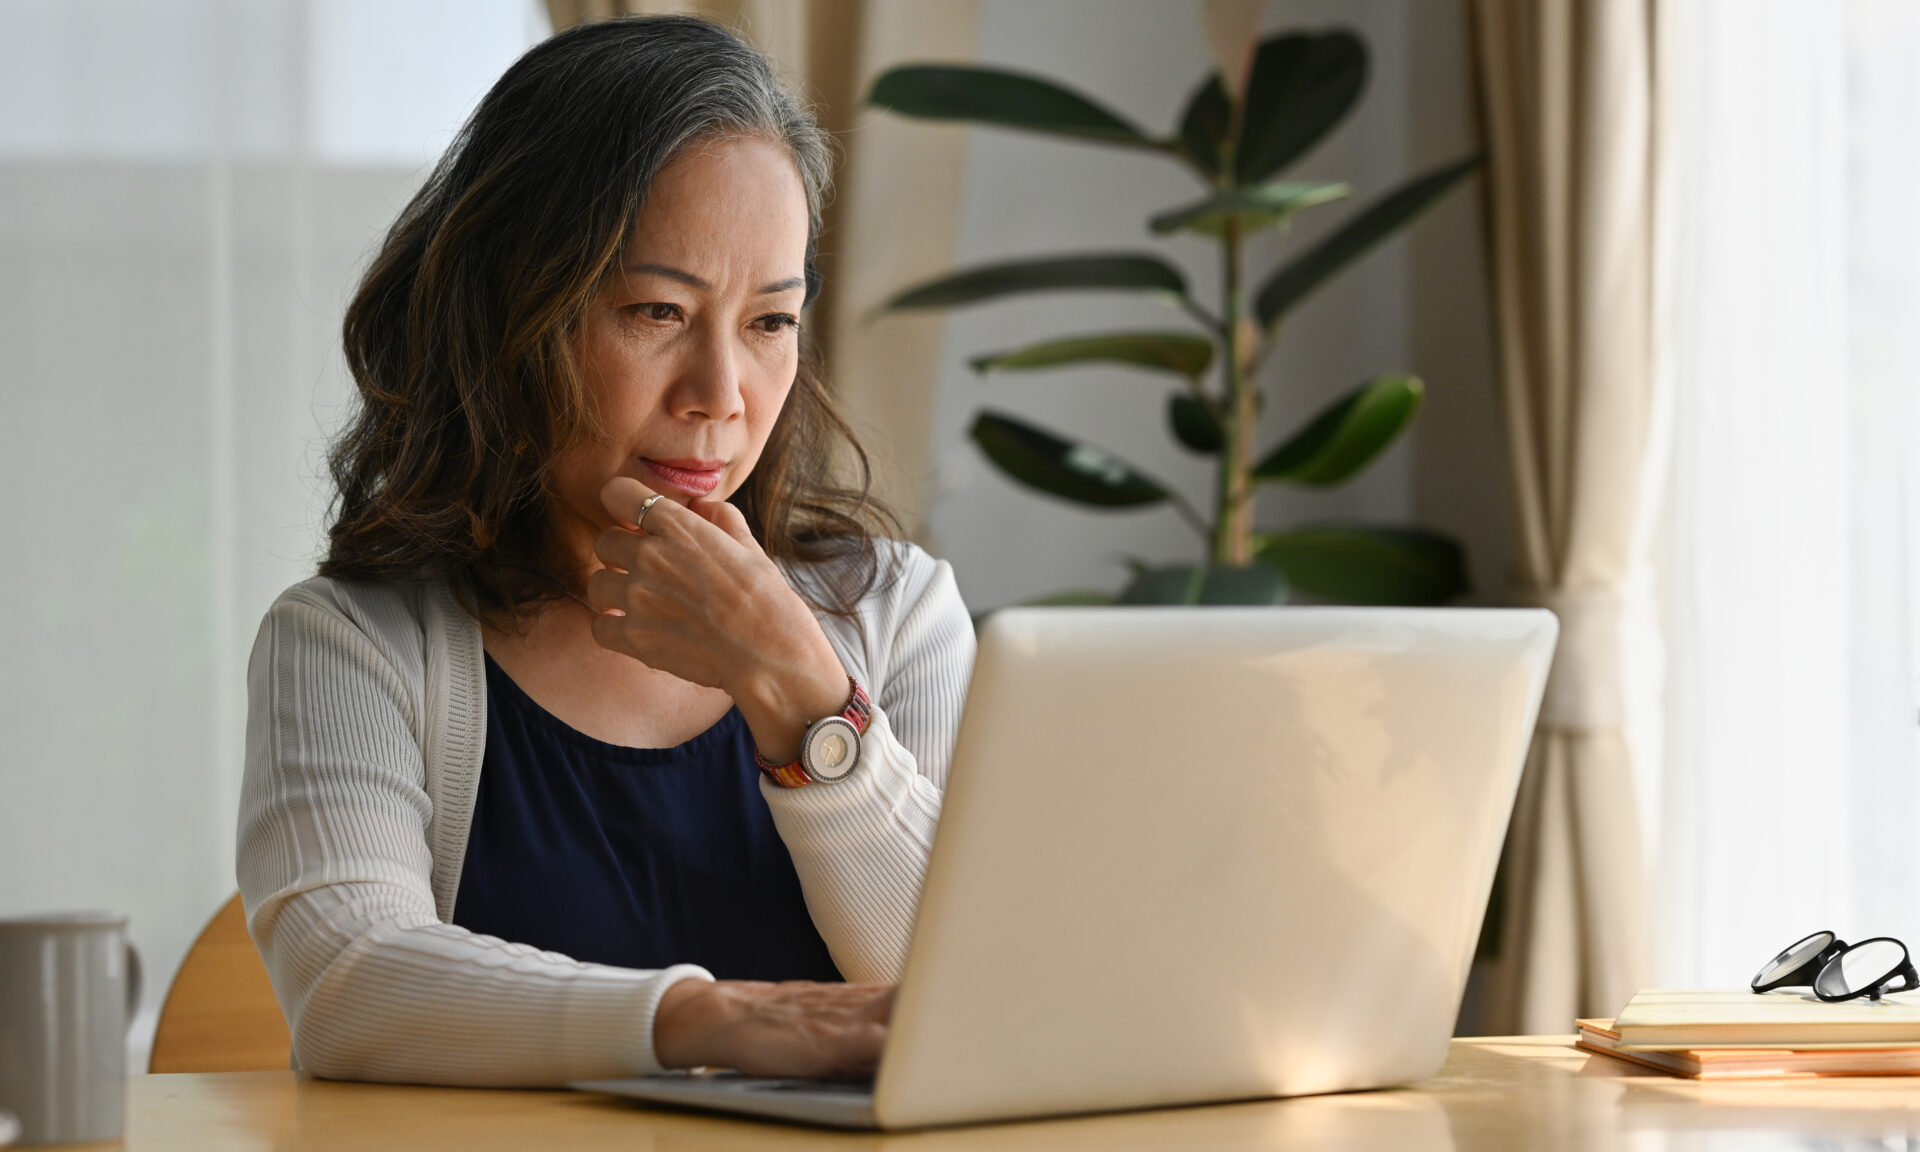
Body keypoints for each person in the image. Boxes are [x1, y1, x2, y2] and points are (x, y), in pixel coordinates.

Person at [236, 14, 973, 1088]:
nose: (721, 397)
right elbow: (350, 983)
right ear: (513, 318)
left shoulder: (895, 612)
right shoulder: (356, 643)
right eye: (658, 311)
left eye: (771, 321)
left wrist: (802, 690)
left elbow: (962, 992)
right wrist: (717, 1021)